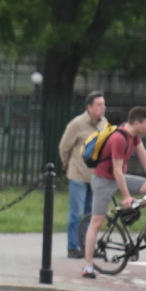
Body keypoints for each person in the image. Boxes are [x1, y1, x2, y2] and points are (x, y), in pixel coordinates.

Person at [82, 106, 146, 278]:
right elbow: (117, 171)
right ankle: (88, 266)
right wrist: (126, 196)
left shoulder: (133, 136)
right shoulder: (118, 139)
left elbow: (142, 154)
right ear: (136, 123)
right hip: (104, 181)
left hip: (118, 177)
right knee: (96, 222)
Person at [57, 91, 106, 258]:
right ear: (89, 107)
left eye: (103, 104)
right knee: (76, 212)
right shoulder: (77, 124)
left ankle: (87, 247)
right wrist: (68, 165)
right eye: (99, 105)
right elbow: (64, 147)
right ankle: (73, 246)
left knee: (91, 214)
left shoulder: (104, 124)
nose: (103, 108)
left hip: (95, 176)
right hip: (78, 174)